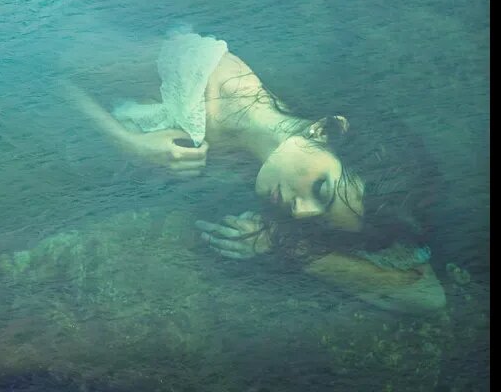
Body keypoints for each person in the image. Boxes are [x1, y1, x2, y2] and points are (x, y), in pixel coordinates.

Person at [59, 30, 447, 315]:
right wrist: (128, 143)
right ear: (326, 129)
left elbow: (427, 296)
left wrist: (289, 245)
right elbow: (41, 66)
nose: (302, 212)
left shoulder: (274, 185)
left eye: (320, 219)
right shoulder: (207, 76)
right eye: (322, 191)